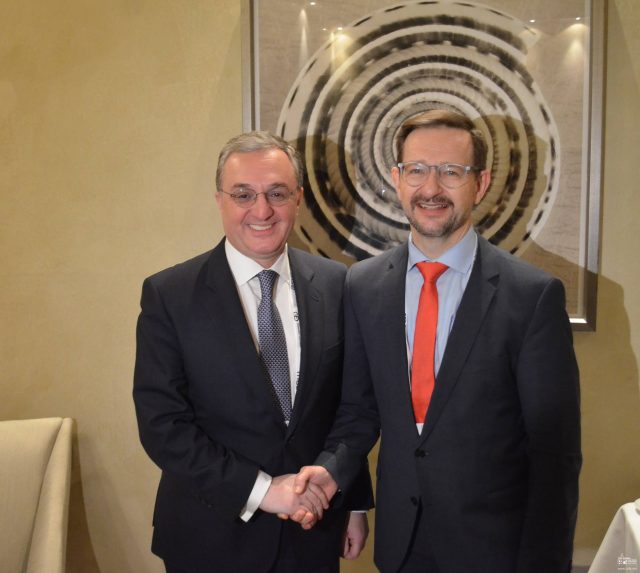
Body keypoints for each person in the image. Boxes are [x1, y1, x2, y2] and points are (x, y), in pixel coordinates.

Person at [293, 109, 582, 573]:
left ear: (480, 184)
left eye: (451, 171)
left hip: (496, 551)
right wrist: (332, 472)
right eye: (417, 170)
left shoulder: (532, 296)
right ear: (397, 179)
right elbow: (359, 411)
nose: (431, 188)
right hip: (401, 545)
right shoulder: (363, 286)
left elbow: (555, 455)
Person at [133, 131, 372, 573]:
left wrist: (351, 497)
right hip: (209, 537)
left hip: (312, 531)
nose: (262, 211)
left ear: (298, 198)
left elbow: (353, 406)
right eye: (243, 194)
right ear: (219, 200)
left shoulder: (338, 284)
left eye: (277, 193)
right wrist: (263, 491)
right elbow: (163, 425)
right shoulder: (170, 295)